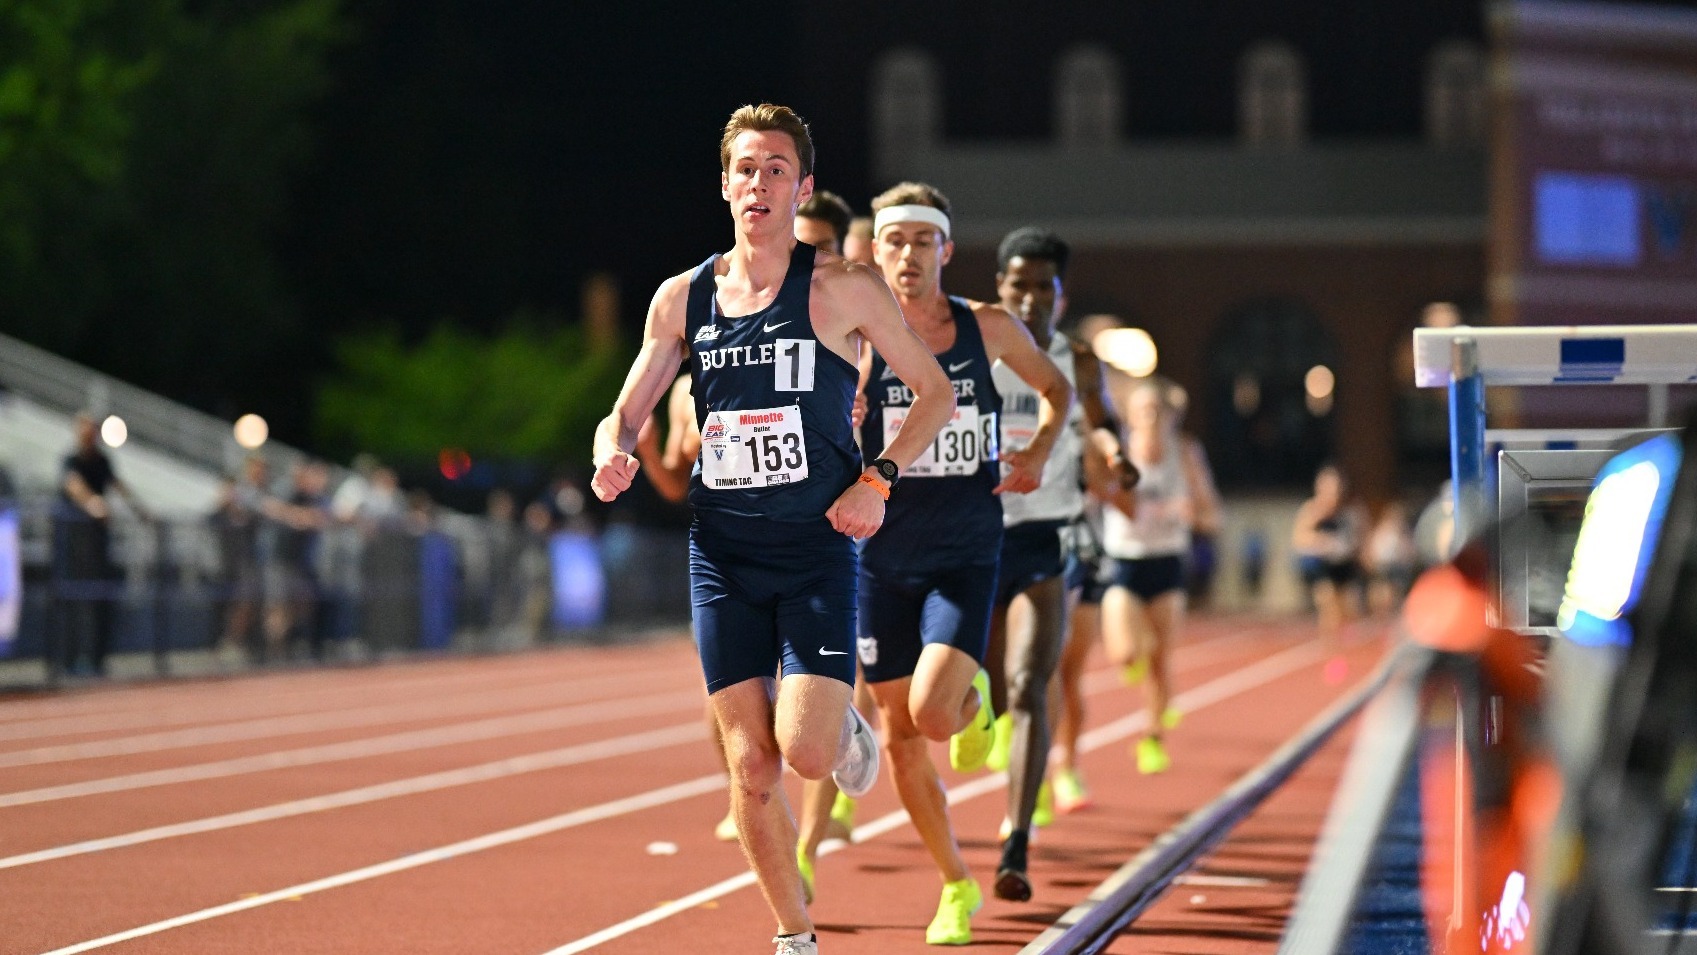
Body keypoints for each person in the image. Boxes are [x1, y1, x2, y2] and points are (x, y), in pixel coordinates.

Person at [590, 104, 955, 955]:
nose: (759, 183)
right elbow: (625, 411)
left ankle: (839, 727)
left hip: (816, 547)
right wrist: (612, 451)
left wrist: (878, 478)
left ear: (803, 187)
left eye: (776, 169)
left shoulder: (843, 288)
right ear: (724, 185)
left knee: (805, 754)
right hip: (722, 555)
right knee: (750, 766)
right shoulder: (681, 299)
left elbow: (933, 393)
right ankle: (795, 935)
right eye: (746, 169)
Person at [853, 183, 1073, 944]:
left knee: (931, 713)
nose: (908, 255)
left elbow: (1056, 387)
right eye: (895, 241)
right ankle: (955, 883)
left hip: (964, 554)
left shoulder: (988, 327)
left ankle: (972, 701)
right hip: (879, 559)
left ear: (945, 249)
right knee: (900, 737)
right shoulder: (854, 337)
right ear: (874, 251)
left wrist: (1037, 452)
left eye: (923, 241)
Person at [980, 227, 1132, 901]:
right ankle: (981, 721)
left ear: (1061, 295)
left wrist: (1115, 455)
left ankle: (1015, 845)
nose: (1031, 298)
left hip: (1048, 536)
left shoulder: (1078, 360)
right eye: (1019, 285)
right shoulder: (975, 349)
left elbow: (1103, 423)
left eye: (1044, 287)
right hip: (977, 536)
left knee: (1029, 684)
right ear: (1000, 288)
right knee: (984, 691)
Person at [1099, 377, 1211, 775]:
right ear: (1129, 415)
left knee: (1161, 660)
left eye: (1157, 410)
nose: (1150, 416)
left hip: (1167, 562)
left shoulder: (1185, 453)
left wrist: (1191, 513)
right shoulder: (1118, 452)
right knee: (1126, 653)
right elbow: (1100, 494)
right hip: (1125, 560)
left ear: (1169, 416)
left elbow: (1210, 512)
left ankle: (1151, 738)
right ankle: (1137, 656)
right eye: (1143, 410)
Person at [53, 411, 150, 677]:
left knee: (101, 600)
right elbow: (73, 485)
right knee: (72, 600)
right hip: (73, 544)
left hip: (97, 545)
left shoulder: (103, 460)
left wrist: (141, 511)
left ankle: (97, 660)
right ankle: (68, 661)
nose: (89, 436)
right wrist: (92, 503)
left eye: (92, 431)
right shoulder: (70, 460)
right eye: (85, 431)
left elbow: (118, 486)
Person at [1293, 463, 1368, 639]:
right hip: (1320, 566)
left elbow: (1362, 540)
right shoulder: (1311, 510)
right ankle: (1329, 644)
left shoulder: (1351, 511)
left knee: (1350, 609)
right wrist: (1323, 542)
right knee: (1328, 603)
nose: (1331, 493)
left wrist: (1351, 549)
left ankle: (1344, 642)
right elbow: (1298, 539)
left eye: (1335, 488)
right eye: (1327, 487)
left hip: (1344, 565)